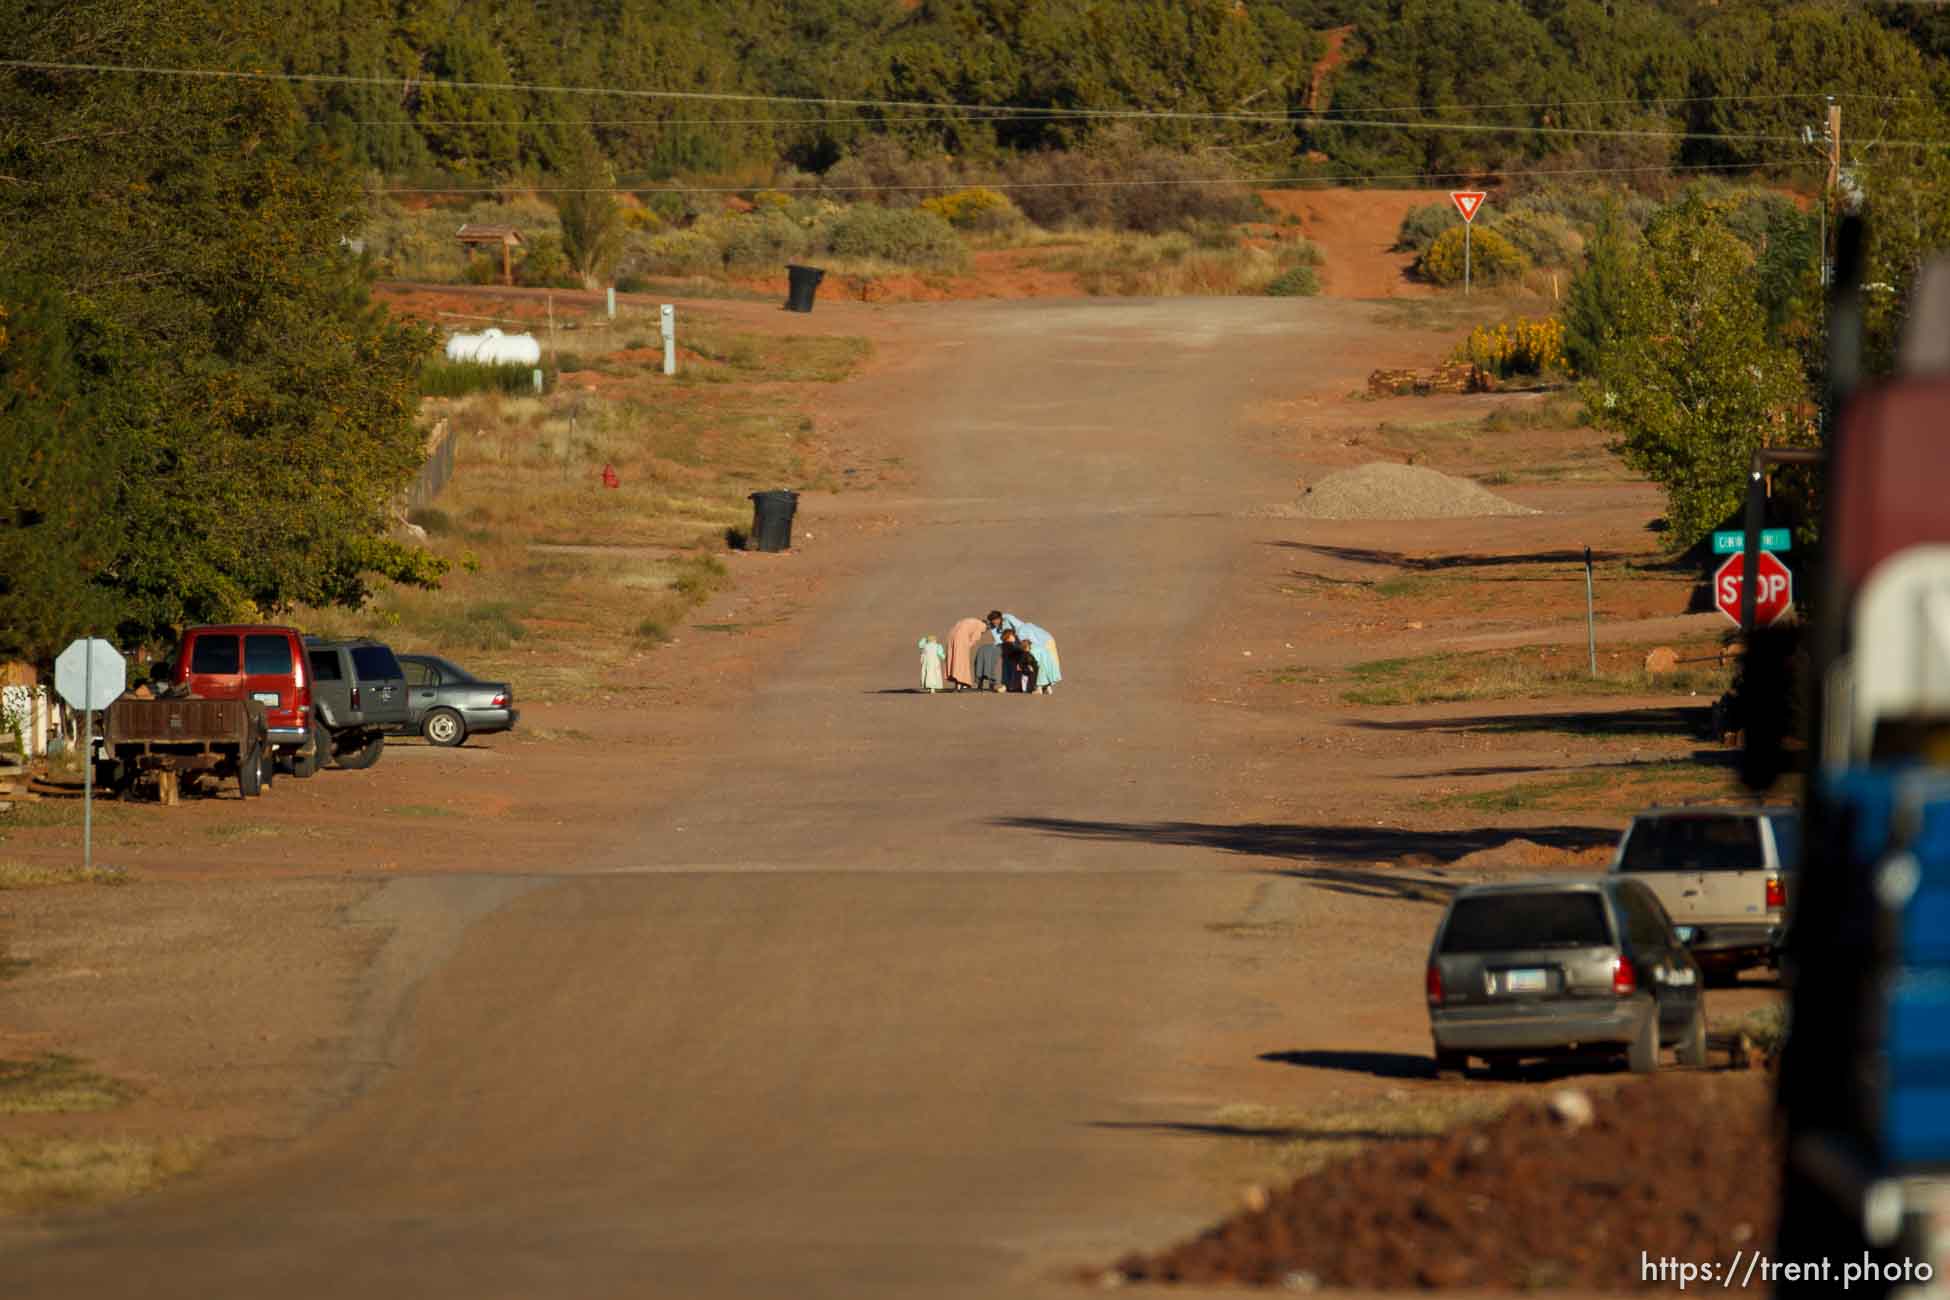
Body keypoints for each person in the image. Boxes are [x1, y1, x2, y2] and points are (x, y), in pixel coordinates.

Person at [1002, 612, 1062, 693]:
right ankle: (1047, 688)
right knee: (1044, 667)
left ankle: (1039, 688)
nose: (1008, 642)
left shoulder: (1020, 633)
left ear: (1010, 636)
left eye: (1007, 639)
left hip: (1036, 651)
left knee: (1038, 668)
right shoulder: (1023, 630)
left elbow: (1026, 645)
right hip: (1043, 650)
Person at [946, 617, 987, 691]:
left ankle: (958, 683)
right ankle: (960, 683)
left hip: (952, 635)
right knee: (961, 661)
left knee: (954, 659)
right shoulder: (982, 625)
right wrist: (968, 645)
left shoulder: (970, 620)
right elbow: (975, 637)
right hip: (961, 637)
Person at [1000, 628, 1039, 694]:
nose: (1014, 636)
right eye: (1013, 635)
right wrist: (1024, 648)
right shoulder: (1009, 645)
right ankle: (1032, 687)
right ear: (1008, 636)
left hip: (1011, 666)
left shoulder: (1007, 645)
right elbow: (1018, 652)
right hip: (1015, 666)